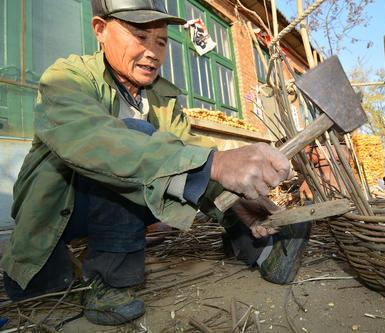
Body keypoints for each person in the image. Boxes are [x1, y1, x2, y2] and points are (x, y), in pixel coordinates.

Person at [0, 0, 311, 326]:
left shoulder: (161, 97)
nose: (152, 51)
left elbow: (190, 152)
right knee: (139, 138)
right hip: (59, 211)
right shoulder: (68, 77)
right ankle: (107, 282)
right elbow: (93, 141)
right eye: (139, 36)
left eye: (161, 41)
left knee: (196, 164)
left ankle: (261, 248)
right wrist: (213, 165)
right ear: (100, 30)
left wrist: (238, 191)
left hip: (125, 200)